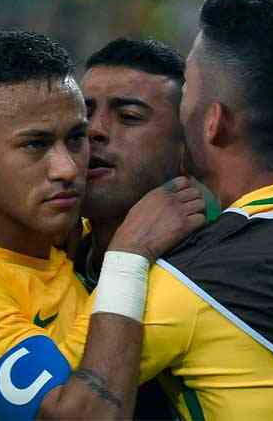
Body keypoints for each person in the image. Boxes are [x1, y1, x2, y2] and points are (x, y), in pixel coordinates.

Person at [66, 0, 273, 420]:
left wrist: (126, 257)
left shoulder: (181, 286)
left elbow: (66, 406)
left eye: (188, 96)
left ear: (213, 122)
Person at [0, 30, 206, 420]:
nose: (67, 168)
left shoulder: (71, 245)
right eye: (35, 144)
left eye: (75, 139)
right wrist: (128, 256)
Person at [76, 37, 188, 421]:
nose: (95, 131)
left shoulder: (204, 274)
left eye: (129, 117)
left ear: (185, 147)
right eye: (84, 114)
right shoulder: (50, 258)